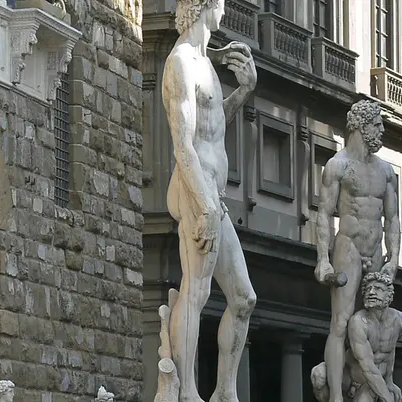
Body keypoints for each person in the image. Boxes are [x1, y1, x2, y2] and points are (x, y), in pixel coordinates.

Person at [160, 0, 259, 399]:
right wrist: (201, 205)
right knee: (196, 291)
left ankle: (224, 392)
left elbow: (213, 126)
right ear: (204, 5)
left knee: (244, 298)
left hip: (215, 197)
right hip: (195, 190)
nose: (225, 10)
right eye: (221, 2)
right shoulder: (180, 62)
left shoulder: (207, 65)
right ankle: (186, 394)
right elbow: (184, 145)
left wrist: (244, 91)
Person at [314, 100, 401, 402]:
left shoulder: (387, 172)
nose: (381, 130)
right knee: (340, 322)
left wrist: (394, 258)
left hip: (375, 249)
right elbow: (324, 213)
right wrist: (323, 260)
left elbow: (392, 218)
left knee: (379, 319)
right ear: (361, 126)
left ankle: (378, 386)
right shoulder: (337, 166)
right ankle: (337, 395)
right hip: (348, 247)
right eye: (377, 124)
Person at [310, 272, 402, 402]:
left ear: (389, 295)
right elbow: (368, 368)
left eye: (378, 289)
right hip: (350, 376)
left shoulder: (400, 320)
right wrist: (387, 398)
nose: (371, 292)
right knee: (318, 374)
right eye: (368, 289)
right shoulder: (358, 322)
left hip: (372, 381)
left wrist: (389, 381)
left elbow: (390, 350)